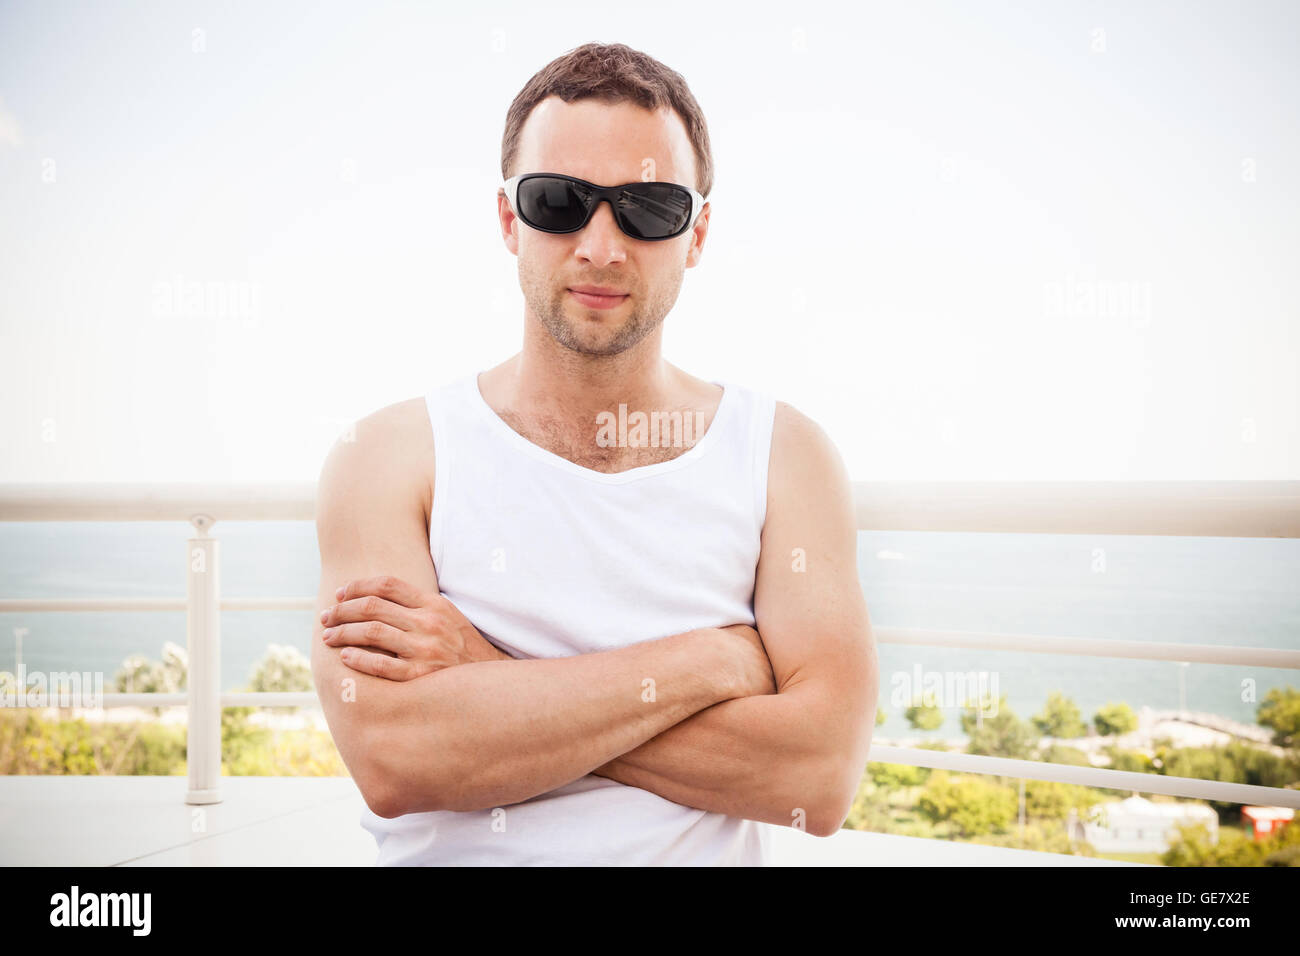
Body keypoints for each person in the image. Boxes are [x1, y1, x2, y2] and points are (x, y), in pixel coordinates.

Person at [310, 41, 877, 865]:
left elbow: (816, 779)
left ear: (699, 231)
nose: (602, 245)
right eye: (558, 201)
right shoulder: (391, 456)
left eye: (648, 206)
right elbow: (398, 758)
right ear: (509, 220)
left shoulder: (784, 456)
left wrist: (487, 671)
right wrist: (710, 661)